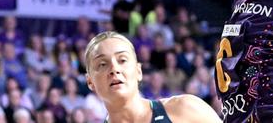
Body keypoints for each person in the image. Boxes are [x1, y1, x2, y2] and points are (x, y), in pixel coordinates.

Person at [83, 31, 220, 123]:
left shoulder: (186, 108)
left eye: (122, 60)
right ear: (90, 82)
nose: (114, 69)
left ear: (139, 71)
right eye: (102, 64)